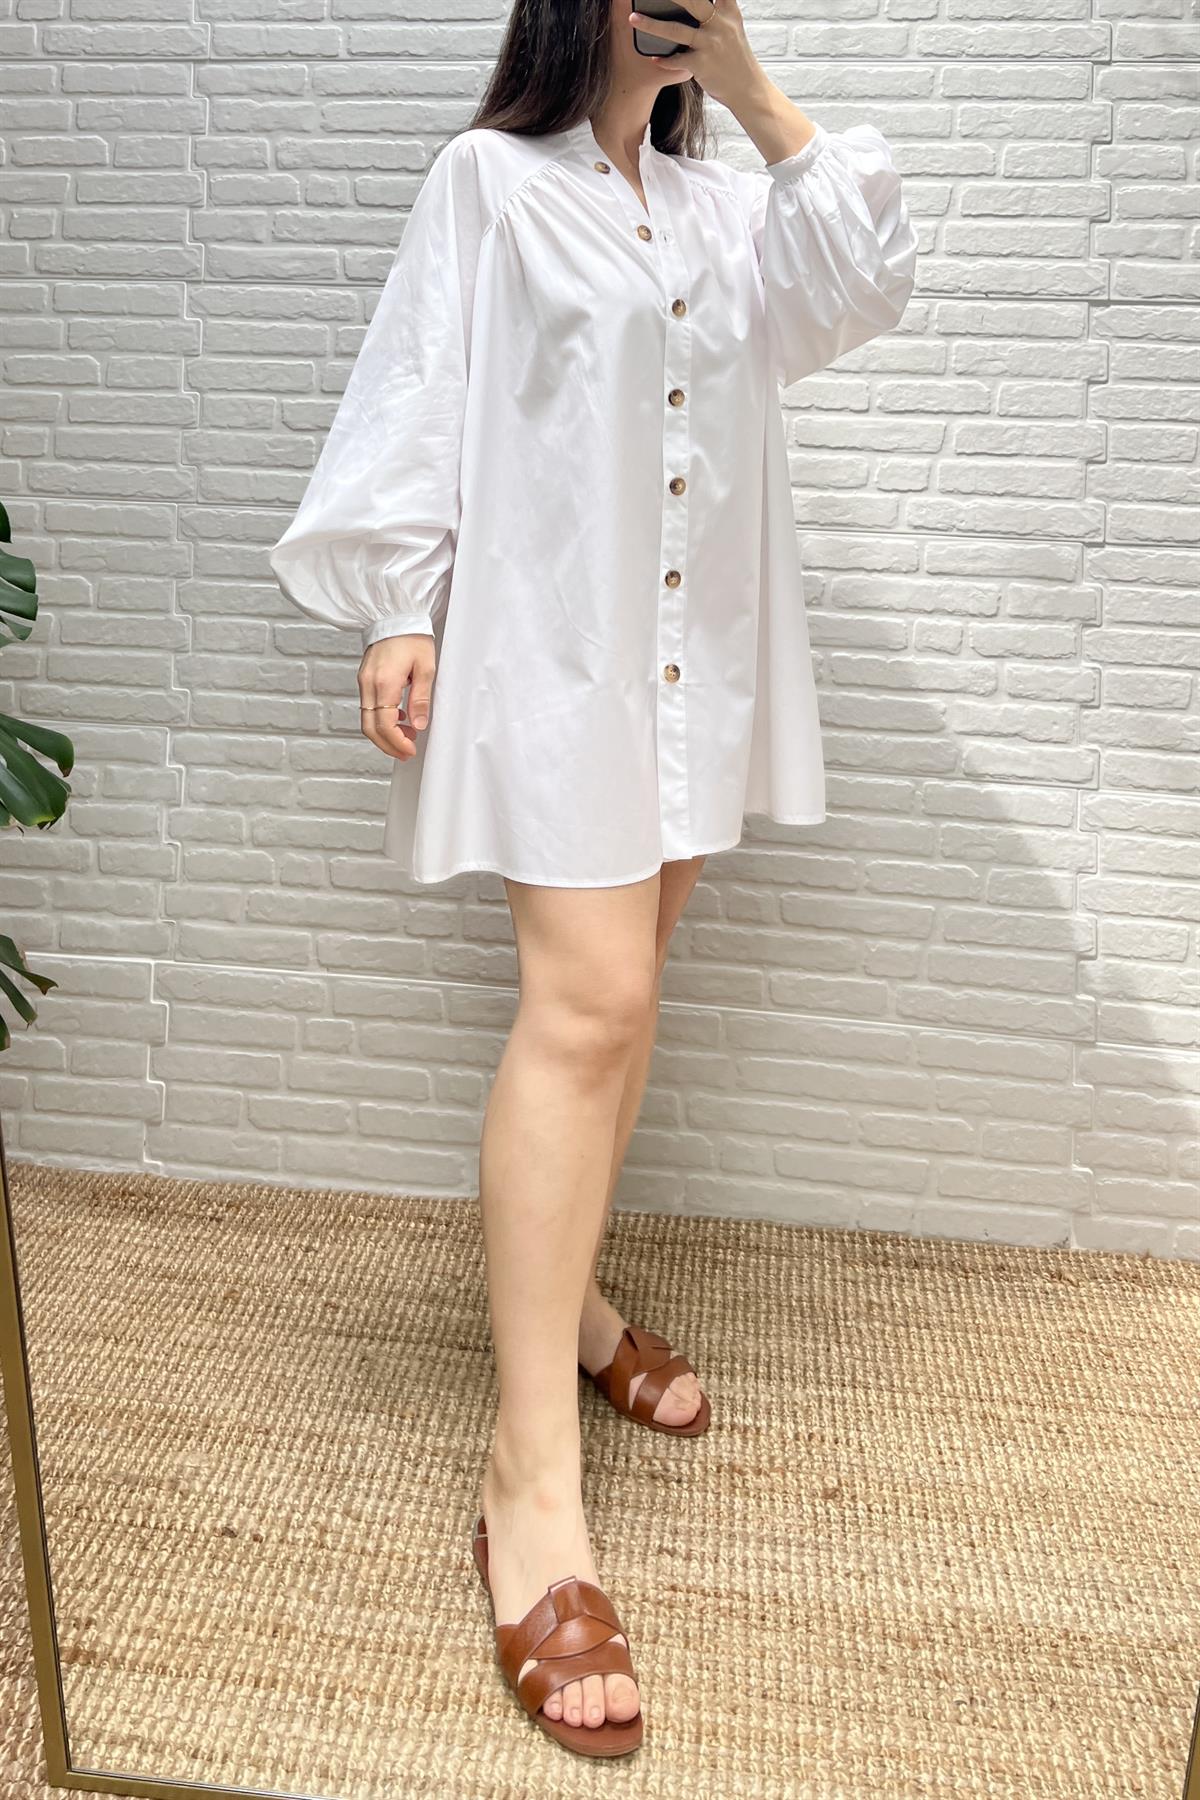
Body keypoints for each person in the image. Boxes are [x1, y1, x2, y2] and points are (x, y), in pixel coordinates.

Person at [268, 0, 917, 1761]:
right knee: (589, 1003)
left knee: (627, 1013)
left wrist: (754, 88)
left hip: (691, 663)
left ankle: (578, 1312)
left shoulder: (725, 206)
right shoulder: (490, 182)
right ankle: (526, 1487)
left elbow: (862, 289)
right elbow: (421, 385)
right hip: (554, 652)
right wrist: (398, 603)